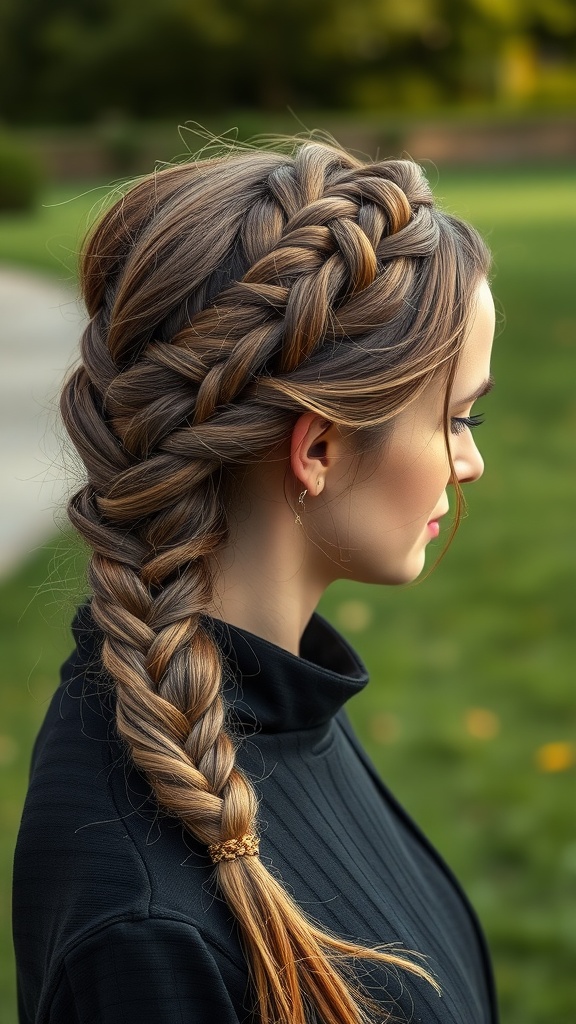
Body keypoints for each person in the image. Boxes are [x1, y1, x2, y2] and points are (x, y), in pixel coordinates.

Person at [13, 139, 498, 1024]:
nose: (471, 463)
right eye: (456, 418)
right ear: (316, 449)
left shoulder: (266, 698)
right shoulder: (146, 935)